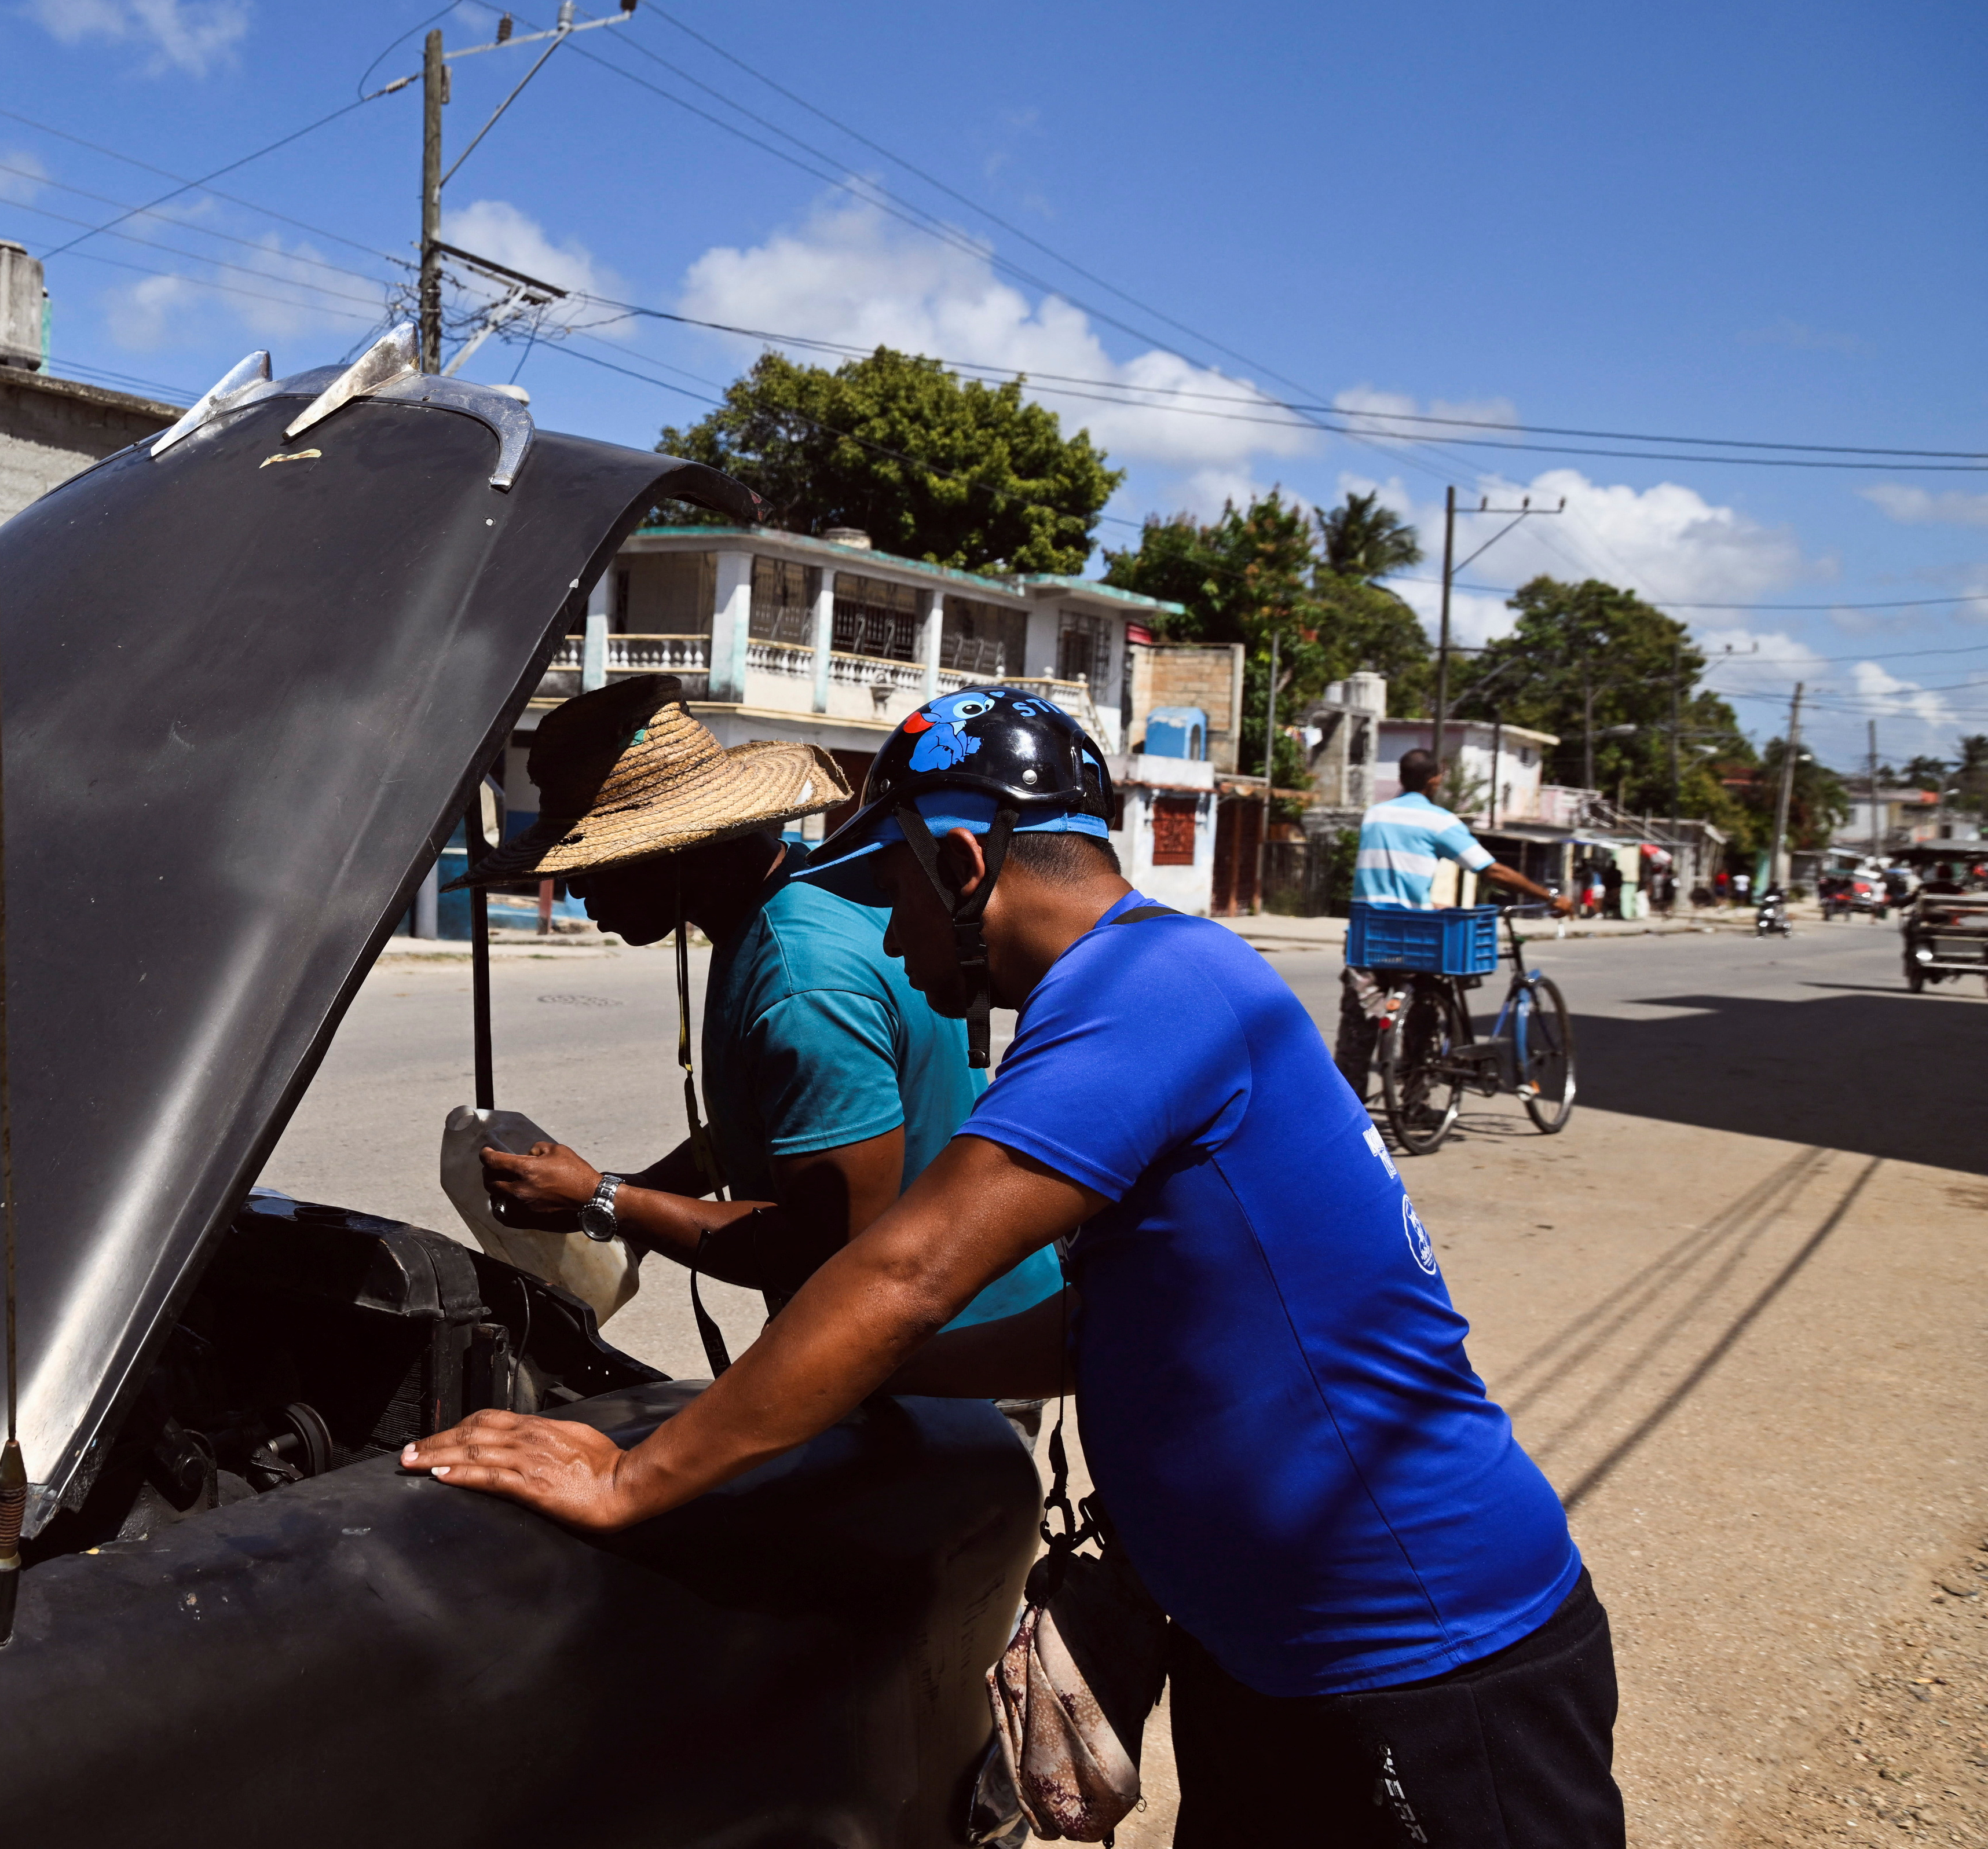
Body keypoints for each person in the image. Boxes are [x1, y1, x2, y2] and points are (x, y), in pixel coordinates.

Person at [405, 687, 1623, 1847]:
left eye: (887, 889)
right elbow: (1099, 1325)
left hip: (1421, 1649)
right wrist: (884, 1378)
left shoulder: (1149, 991)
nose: (882, 931)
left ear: (959, 865)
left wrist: (634, 1477)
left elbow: (903, 1270)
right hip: (1272, 1652)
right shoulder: (1138, 989)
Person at [457, 675, 1063, 1329]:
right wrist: (625, 1191)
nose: (578, 894)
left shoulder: (800, 980)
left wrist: (611, 1200)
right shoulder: (790, 892)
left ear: (676, 853)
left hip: (945, 1350)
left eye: (594, 866)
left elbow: (830, 1251)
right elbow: (784, 1123)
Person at [1336, 748, 1564, 1102]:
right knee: (1427, 1007)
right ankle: (1415, 1100)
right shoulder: (1440, 821)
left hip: (1370, 933)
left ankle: (1347, 1111)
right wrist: (1548, 896)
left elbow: (1391, 880)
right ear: (1435, 780)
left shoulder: (1375, 816)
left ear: (1401, 778)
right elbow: (1491, 870)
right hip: (1413, 936)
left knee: (1357, 1026)